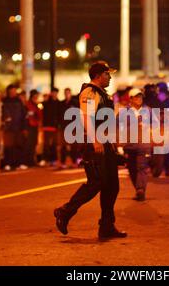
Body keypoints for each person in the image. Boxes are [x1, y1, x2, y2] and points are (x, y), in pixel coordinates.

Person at [54, 61, 127, 239]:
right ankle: (65, 212)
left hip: (105, 143)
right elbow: (86, 117)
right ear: (98, 75)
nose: (110, 77)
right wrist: (95, 139)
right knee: (96, 183)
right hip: (93, 143)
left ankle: (107, 226)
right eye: (107, 74)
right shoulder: (89, 92)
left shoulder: (103, 94)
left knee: (112, 186)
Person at [119, 88, 152, 201]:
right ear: (131, 99)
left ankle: (140, 189)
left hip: (144, 145)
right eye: (136, 97)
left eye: (140, 96)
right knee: (132, 169)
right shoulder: (124, 112)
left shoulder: (148, 111)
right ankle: (138, 189)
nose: (139, 99)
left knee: (141, 167)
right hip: (129, 145)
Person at [2, 84, 28, 171]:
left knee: (19, 146)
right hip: (8, 129)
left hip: (18, 128)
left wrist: (24, 128)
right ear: (8, 91)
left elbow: (23, 115)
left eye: (14, 91)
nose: (13, 93)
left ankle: (19, 163)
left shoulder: (19, 101)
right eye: (11, 91)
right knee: (8, 147)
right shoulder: (4, 101)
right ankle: (7, 164)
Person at [59, 87, 80, 169]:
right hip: (64, 127)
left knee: (74, 146)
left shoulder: (75, 103)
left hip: (73, 127)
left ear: (70, 94)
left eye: (68, 93)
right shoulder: (61, 103)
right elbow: (59, 115)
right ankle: (63, 162)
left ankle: (74, 162)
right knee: (63, 146)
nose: (67, 94)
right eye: (65, 93)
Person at [157, 82, 169, 177]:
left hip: (166, 128)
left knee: (167, 149)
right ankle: (162, 167)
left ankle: (167, 168)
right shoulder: (160, 101)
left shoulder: (167, 102)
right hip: (159, 128)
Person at [41, 87, 60, 167]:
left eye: (55, 92)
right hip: (46, 126)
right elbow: (42, 112)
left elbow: (60, 115)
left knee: (54, 144)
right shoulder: (46, 103)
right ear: (51, 93)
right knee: (46, 144)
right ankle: (46, 160)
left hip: (55, 127)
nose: (54, 94)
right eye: (53, 92)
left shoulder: (59, 103)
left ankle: (54, 159)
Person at [24, 89, 42, 167]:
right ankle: (28, 161)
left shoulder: (37, 104)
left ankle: (32, 161)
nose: (36, 97)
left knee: (34, 143)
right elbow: (26, 116)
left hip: (35, 126)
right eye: (35, 95)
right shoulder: (27, 104)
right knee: (29, 144)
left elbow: (39, 116)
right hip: (29, 126)